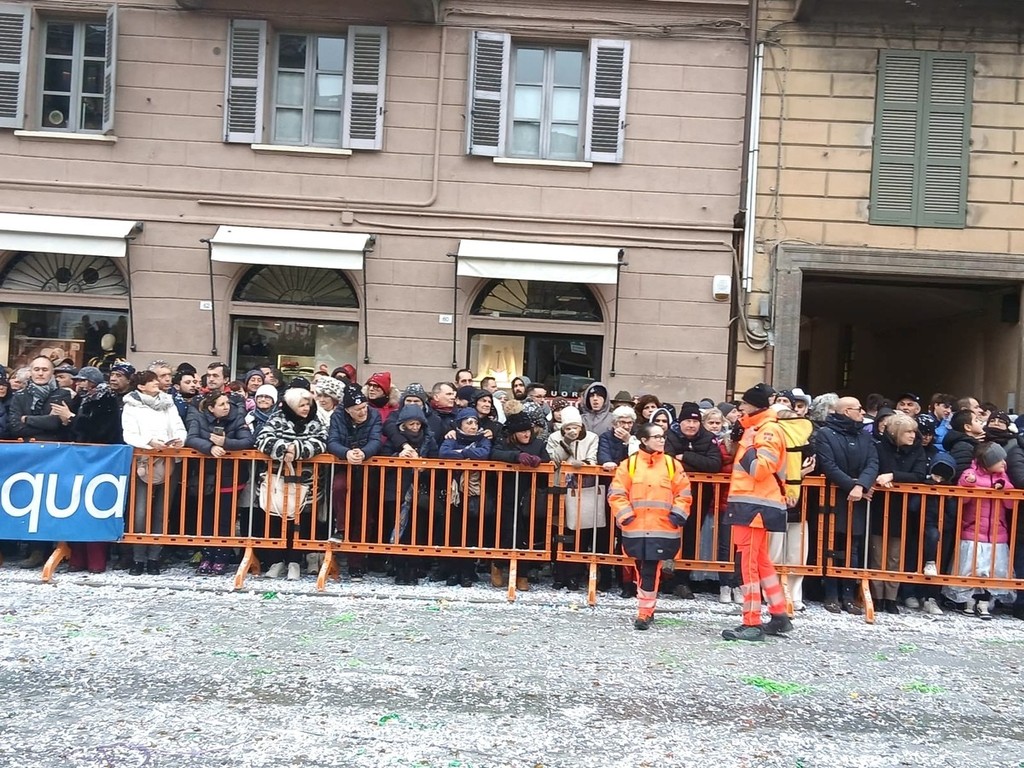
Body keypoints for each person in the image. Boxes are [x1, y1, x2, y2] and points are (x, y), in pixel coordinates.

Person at [719, 384, 791, 642]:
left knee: (748, 566)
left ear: (755, 405)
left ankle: (752, 623)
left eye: (744, 404)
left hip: (754, 507)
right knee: (760, 562)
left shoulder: (767, 430)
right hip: (752, 505)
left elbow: (760, 470)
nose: (740, 408)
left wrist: (747, 445)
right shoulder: (758, 428)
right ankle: (779, 615)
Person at [608, 423, 692, 630]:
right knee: (641, 567)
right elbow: (617, 493)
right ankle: (647, 608)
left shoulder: (672, 465)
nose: (661, 440)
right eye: (656, 437)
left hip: (662, 527)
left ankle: (644, 612)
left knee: (650, 569)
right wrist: (626, 516)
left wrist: (676, 516)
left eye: (662, 436)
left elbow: (684, 493)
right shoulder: (629, 465)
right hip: (635, 527)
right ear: (644, 440)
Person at [254, 388, 327, 581]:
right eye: (301, 405)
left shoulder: (315, 421)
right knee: (276, 519)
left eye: (307, 404)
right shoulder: (277, 419)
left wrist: (297, 450)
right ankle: (276, 561)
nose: (306, 408)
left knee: (300, 523)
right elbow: (262, 439)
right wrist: (284, 449)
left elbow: (321, 442)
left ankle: (295, 561)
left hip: (306, 483)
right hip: (277, 481)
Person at [815, 395, 879, 615]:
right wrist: (851, 485)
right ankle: (831, 594)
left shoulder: (864, 436)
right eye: (858, 409)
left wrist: (861, 485)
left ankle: (849, 595)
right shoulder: (825, 434)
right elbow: (828, 464)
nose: (862, 413)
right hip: (834, 497)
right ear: (846, 411)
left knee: (853, 547)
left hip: (857, 498)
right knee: (832, 547)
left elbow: (873, 462)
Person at [121, 370, 187, 575]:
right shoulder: (131, 405)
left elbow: (178, 426)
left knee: (162, 511)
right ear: (141, 386)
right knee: (140, 512)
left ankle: (154, 558)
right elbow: (129, 433)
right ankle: (138, 558)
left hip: (169, 459)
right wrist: (149, 442)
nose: (156, 383)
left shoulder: (168, 402)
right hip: (144, 460)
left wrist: (179, 440)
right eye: (151, 381)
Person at [942, 442, 1016, 619]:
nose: (1004, 463)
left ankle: (984, 603)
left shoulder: (1003, 478)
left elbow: (1010, 504)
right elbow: (962, 501)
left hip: (997, 534)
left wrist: (1004, 488)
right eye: (999, 460)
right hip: (972, 532)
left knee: (992, 570)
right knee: (971, 568)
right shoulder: (970, 474)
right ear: (988, 462)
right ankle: (969, 601)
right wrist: (967, 485)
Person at [185, 390, 254, 575]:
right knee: (206, 518)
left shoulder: (237, 418)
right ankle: (207, 556)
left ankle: (222, 557)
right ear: (211, 408)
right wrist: (209, 447)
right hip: (206, 477)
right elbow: (191, 438)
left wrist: (226, 442)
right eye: (222, 404)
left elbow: (248, 441)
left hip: (230, 477)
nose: (226, 407)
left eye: (227, 403)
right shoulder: (199, 418)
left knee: (225, 519)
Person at [870, 412, 927, 615]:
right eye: (907, 432)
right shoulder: (878, 447)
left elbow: (919, 475)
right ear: (896, 432)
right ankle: (877, 596)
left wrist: (893, 476)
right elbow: (873, 470)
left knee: (895, 555)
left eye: (914, 431)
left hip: (903, 509)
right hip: (879, 506)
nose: (912, 435)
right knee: (878, 554)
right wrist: (882, 478)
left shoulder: (917, 450)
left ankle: (891, 598)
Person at [327, 386, 383, 579]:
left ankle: (356, 563)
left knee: (364, 516)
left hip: (367, 469)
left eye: (364, 407)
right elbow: (332, 441)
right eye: (358, 409)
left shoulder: (374, 415)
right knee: (339, 487)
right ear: (348, 410)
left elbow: (376, 440)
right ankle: (341, 528)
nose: (363, 412)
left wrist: (364, 453)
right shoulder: (337, 416)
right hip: (344, 465)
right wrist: (346, 453)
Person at [546, 406, 601, 591]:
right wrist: (566, 442)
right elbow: (553, 461)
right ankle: (559, 574)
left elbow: (593, 460)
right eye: (568, 428)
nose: (572, 430)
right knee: (560, 532)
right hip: (560, 488)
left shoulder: (591, 438)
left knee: (579, 532)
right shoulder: (555, 438)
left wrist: (581, 465)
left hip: (581, 489)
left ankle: (575, 575)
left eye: (575, 427)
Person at [438, 408, 494, 586]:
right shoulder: (452, 437)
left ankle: (468, 570)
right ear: (460, 424)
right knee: (453, 530)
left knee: (472, 530)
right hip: (455, 492)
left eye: (475, 422)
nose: (473, 426)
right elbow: (444, 453)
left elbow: (484, 453)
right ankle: (453, 570)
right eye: (469, 422)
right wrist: (467, 452)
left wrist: (462, 453)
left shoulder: (483, 438)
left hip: (474, 491)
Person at [8, 355, 74, 443]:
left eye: (45, 370)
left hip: (53, 447)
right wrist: (47, 423)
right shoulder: (19, 396)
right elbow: (15, 428)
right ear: (30, 372)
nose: (40, 373)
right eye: (36, 369)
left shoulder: (62, 394)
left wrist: (27, 419)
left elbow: (55, 424)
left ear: (52, 372)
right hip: (26, 447)